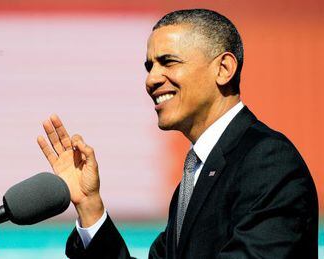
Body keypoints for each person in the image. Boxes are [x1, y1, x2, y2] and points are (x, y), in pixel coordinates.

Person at [37, 9, 318, 259]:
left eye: (168, 62)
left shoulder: (267, 161)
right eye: (149, 66)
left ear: (223, 69)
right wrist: (90, 207)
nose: (151, 79)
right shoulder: (195, 176)